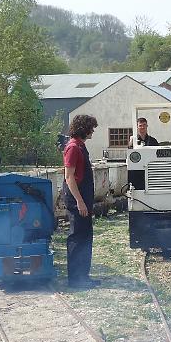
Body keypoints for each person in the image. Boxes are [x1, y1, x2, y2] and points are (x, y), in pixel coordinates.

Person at [63, 114, 100, 288]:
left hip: (83, 197)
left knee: (85, 236)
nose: (93, 130)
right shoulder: (73, 148)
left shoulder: (80, 146)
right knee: (78, 237)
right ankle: (75, 279)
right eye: (91, 127)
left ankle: (83, 276)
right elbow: (69, 177)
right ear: (84, 128)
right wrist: (80, 201)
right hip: (77, 198)